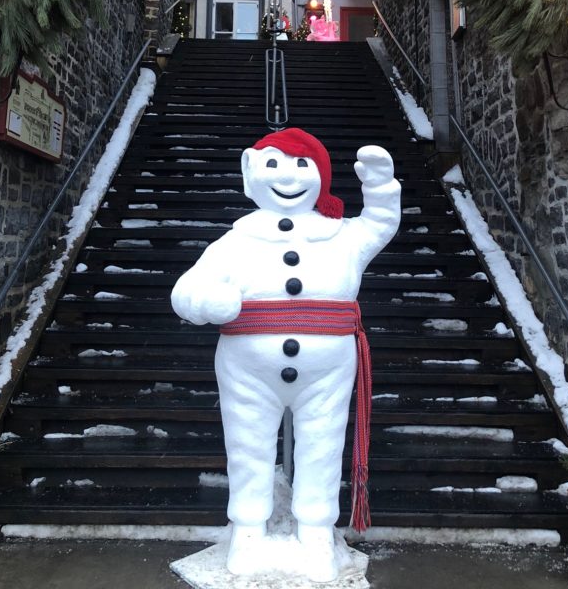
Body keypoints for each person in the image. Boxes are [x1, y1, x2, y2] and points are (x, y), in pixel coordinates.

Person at [171, 128, 401, 582]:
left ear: (321, 177)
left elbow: (378, 224)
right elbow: (185, 290)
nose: (288, 176)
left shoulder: (341, 236)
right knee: (247, 444)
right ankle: (248, 527)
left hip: (327, 371)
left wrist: (379, 186)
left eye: (302, 165)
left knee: (324, 443)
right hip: (247, 371)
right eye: (274, 164)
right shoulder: (237, 240)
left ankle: (315, 528)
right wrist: (206, 301)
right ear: (249, 172)